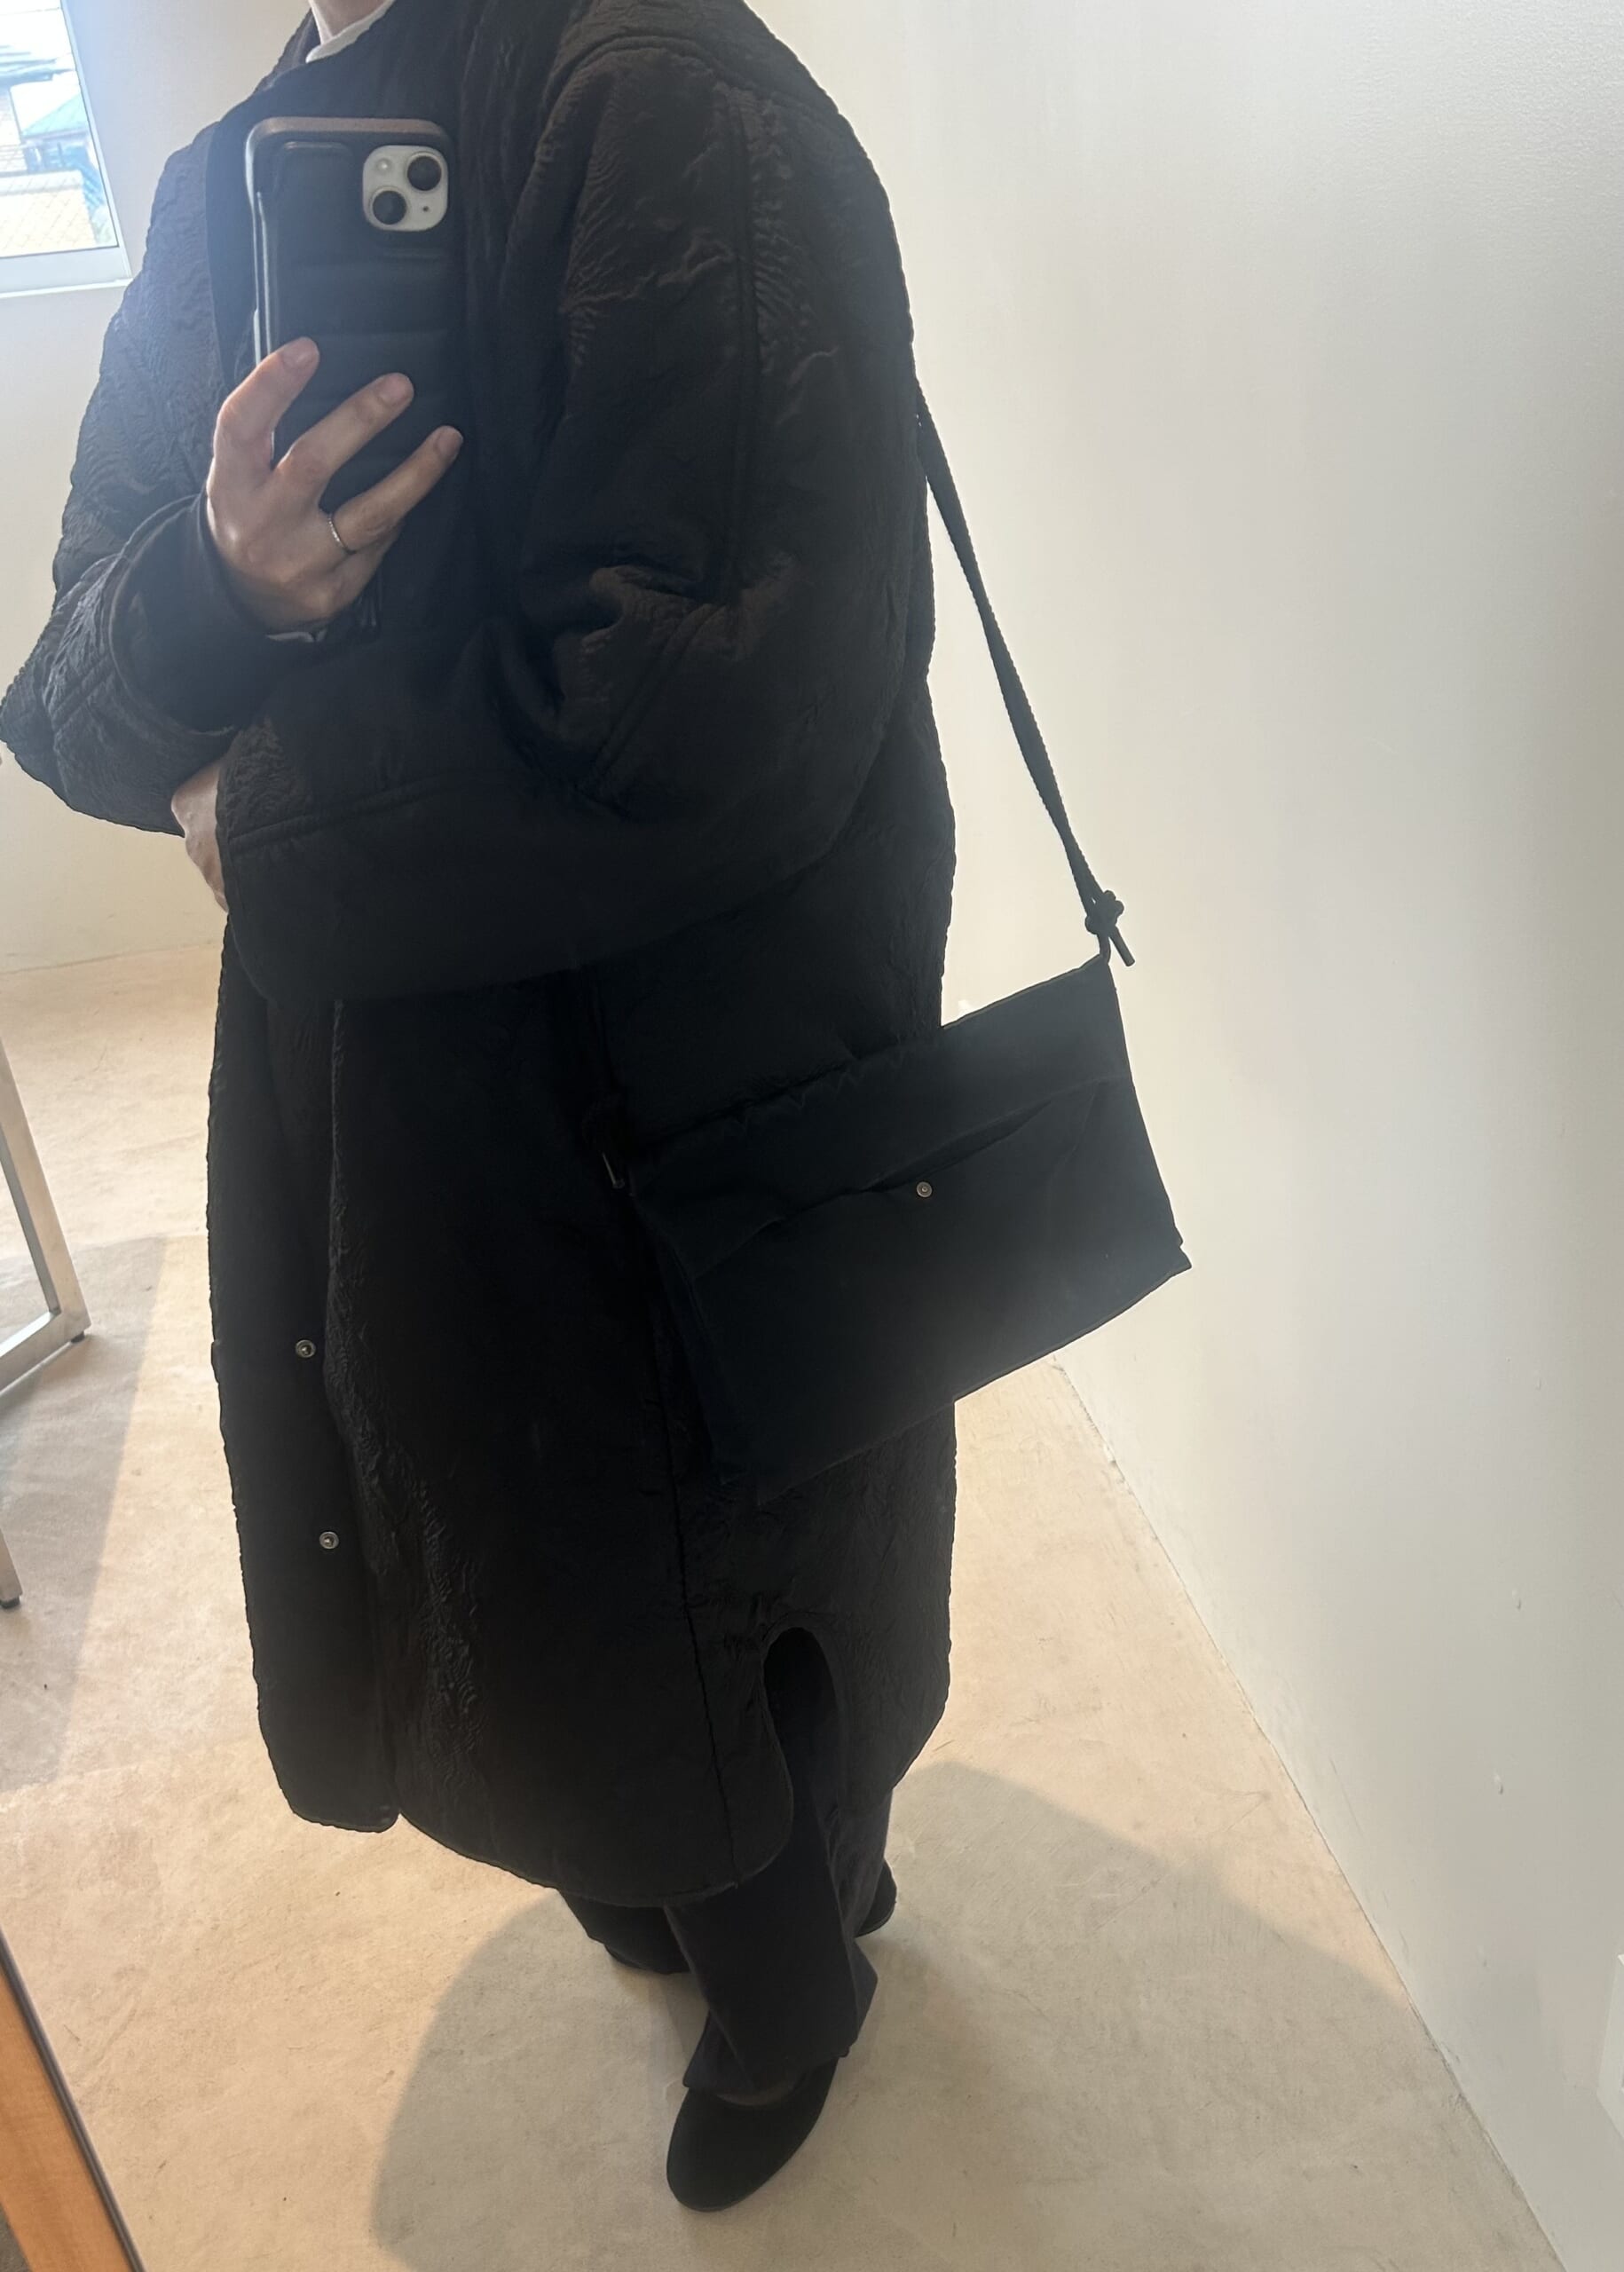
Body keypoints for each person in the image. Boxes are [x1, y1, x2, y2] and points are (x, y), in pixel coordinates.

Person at [0, 0, 957, 2209]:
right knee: (526, 1568)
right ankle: (704, 1876)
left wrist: (268, 814)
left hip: (695, 1073)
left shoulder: (661, 94)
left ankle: (798, 1984)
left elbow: (720, 695)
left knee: (727, 1564)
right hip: (381, 1092)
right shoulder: (223, 188)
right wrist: (222, 588)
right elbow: (61, 690)